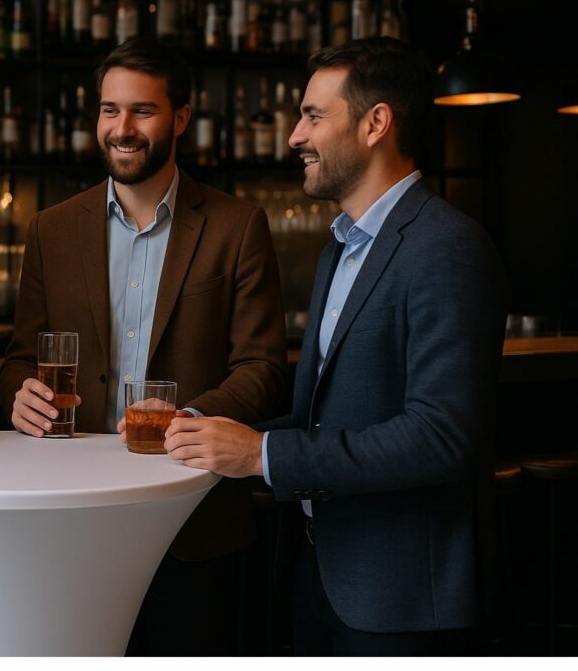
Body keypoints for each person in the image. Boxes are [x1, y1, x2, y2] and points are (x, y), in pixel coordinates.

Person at [164, 37, 509, 655]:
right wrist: (201, 430)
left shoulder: (447, 246)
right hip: (318, 575)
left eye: (313, 117)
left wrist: (262, 454)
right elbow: (322, 416)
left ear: (376, 123)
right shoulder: (340, 250)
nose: (295, 136)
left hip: (400, 599)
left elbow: (441, 437)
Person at [0, 37, 288, 656]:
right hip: (71, 516)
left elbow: (261, 368)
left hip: (193, 517)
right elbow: (21, 358)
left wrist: (186, 419)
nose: (122, 128)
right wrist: (20, 395)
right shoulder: (52, 229)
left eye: (143, 110)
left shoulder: (238, 226)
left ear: (180, 118)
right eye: (110, 110)